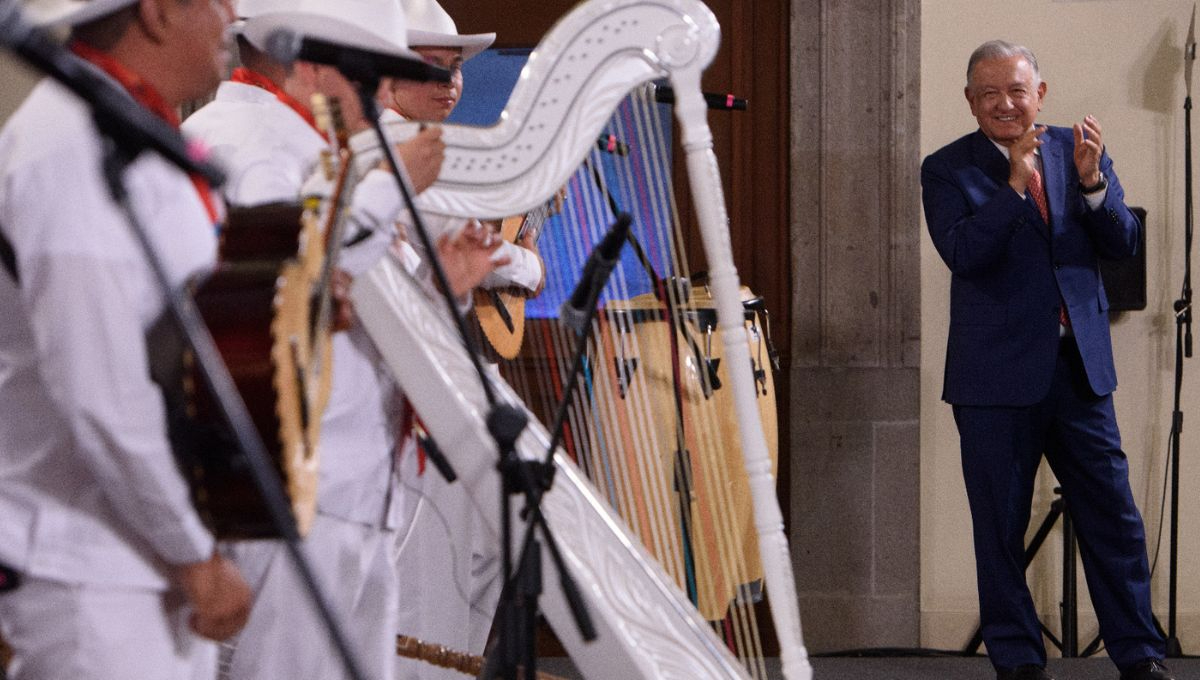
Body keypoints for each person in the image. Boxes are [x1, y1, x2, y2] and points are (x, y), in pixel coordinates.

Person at [182, 2, 507, 680]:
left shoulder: (307, 143)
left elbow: (354, 307)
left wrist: (438, 284)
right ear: (313, 62)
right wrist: (389, 192)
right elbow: (270, 297)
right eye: (372, 78)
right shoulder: (242, 141)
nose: (383, 99)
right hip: (293, 488)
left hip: (352, 486)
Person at [0, 0, 252, 678]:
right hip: (91, 566)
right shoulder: (67, 145)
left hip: (150, 552)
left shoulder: (132, 132)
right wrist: (192, 551)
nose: (235, 14)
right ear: (161, 12)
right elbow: (100, 390)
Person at [922, 40, 1173, 680]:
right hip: (994, 378)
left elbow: (1122, 241)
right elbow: (965, 254)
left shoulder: (1075, 149)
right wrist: (1011, 187)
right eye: (989, 94)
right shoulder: (946, 168)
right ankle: (1018, 661)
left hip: (1079, 371)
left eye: (1017, 91)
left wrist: (1093, 183)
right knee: (1000, 527)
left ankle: (1140, 655)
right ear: (971, 101)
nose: (1005, 104)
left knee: (1114, 519)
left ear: (1041, 93)